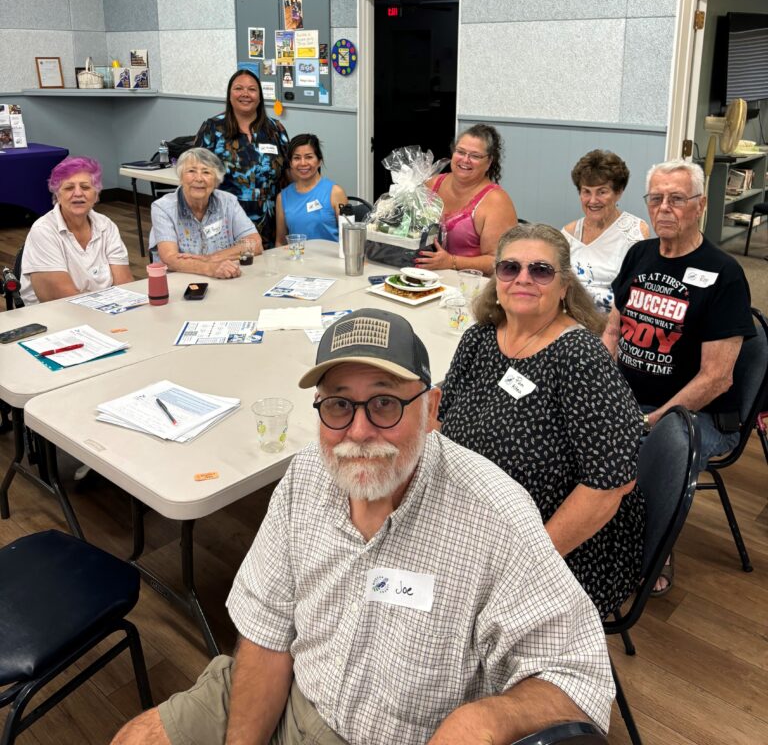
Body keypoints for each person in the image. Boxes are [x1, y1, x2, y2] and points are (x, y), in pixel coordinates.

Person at [112, 309, 614, 745]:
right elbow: (267, 637)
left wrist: (485, 719)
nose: (358, 431)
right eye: (337, 404)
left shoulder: (494, 514)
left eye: (385, 402)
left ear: (432, 409)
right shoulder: (306, 477)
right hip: (286, 688)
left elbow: (580, 679)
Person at [440, 224, 645, 618]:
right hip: (480, 525)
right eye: (510, 268)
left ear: (565, 285)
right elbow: (443, 424)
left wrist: (526, 564)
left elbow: (610, 486)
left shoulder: (581, 359)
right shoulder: (480, 339)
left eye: (541, 271)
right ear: (495, 278)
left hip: (560, 548)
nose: (523, 279)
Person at [603, 160, 755, 593]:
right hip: (630, 399)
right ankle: (589, 525)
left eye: (677, 199)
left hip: (695, 415)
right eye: (656, 198)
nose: (664, 208)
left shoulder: (725, 275)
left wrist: (648, 421)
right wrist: (599, 384)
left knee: (649, 444)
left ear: (700, 206)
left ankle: (650, 548)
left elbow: (717, 379)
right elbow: (613, 329)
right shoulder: (640, 254)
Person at [194, 68, 289, 248]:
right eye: (239, 88)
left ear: (260, 97)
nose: (245, 94)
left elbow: (289, 174)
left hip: (270, 220)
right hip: (225, 218)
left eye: (252, 89)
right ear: (230, 95)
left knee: (268, 270)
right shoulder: (213, 128)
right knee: (231, 268)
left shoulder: (275, 129)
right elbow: (196, 176)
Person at [20, 156, 133, 305]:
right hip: (56, 317)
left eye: (85, 187)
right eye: (69, 188)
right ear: (57, 195)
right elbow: (60, 298)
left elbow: (124, 284)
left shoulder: (106, 225)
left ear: (96, 194)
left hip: (106, 311)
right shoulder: (43, 231)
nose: (78, 193)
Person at [416, 123, 518, 276]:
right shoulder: (431, 184)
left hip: (470, 286)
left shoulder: (496, 201)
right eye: (460, 152)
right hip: (423, 278)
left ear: (489, 162)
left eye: (475, 156)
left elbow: (501, 261)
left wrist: (451, 262)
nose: (465, 160)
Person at [149, 148, 261, 280]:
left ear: (216, 181)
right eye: (191, 171)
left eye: (206, 172)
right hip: (179, 282)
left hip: (225, 278)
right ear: (180, 177)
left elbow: (255, 243)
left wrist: (210, 258)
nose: (199, 178)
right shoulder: (163, 208)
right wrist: (209, 268)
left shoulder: (228, 202)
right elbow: (170, 258)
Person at [561, 149, 649, 313]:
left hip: (612, 324)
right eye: (586, 191)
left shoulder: (635, 230)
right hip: (570, 321)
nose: (593, 201)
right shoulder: (568, 233)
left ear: (619, 192)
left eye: (602, 192)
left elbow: (636, 293)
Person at [275, 134, 348, 244]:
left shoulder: (335, 192)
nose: (303, 163)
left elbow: (349, 239)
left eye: (309, 157)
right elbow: (280, 242)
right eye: (297, 158)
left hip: (330, 260)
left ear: (319, 161)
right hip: (297, 259)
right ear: (290, 163)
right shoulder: (282, 198)